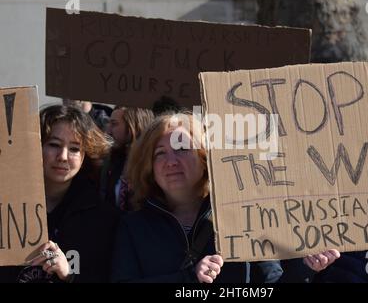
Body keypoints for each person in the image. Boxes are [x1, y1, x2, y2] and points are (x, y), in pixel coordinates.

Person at [110, 112, 339, 283]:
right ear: (148, 166)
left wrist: (306, 269)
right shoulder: (133, 227)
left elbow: (270, 283)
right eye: (160, 153)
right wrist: (188, 279)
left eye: (182, 148)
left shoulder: (244, 217)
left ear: (205, 157)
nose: (171, 161)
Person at [0, 105, 120, 283]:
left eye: (74, 149)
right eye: (54, 145)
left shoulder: (103, 218)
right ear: (35, 146)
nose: (63, 156)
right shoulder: (6, 204)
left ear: (85, 155)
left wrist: (69, 275)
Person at [100, 106, 154, 211]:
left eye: (114, 124)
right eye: (109, 123)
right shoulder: (113, 159)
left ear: (133, 126)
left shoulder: (153, 165)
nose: (108, 131)